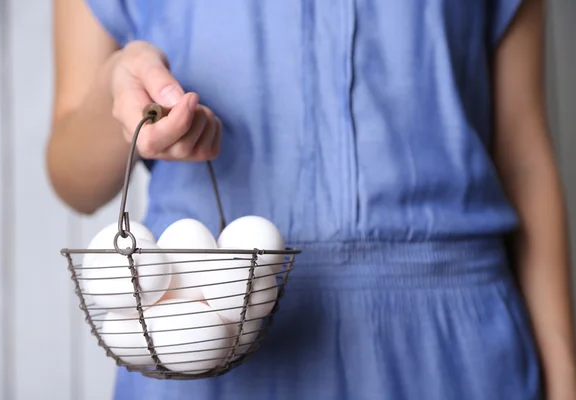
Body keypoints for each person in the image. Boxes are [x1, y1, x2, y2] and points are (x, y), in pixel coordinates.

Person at [46, 0, 576, 399]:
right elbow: (72, 178)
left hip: (456, 347)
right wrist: (118, 92)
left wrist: (565, 376)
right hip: (204, 333)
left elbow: (522, 156)